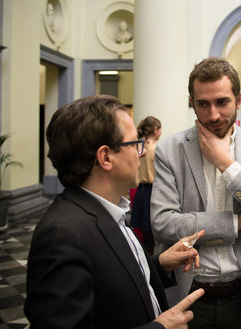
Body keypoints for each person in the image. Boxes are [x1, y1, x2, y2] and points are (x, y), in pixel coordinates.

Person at [25, 95, 204, 329]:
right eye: (134, 143)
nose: (141, 152)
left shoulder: (106, 209)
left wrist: (159, 264)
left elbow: (111, 278)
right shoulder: (62, 235)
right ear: (106, 157)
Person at [150, 57, 241, 329]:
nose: (213, 115)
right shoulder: (170, 150)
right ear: (192, 102)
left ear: (238, 100)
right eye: (203, 104)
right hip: (189, 294)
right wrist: (239, 223)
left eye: (222, 102)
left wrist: (226, 164)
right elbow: (163, 225)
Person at [130, 116, 162, 255]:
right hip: (152, 191)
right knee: (150, 230)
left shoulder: (139, 146)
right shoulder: (156, 149)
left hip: (140, 191)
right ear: (156, 130)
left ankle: (144, 257)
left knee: (141, 229)